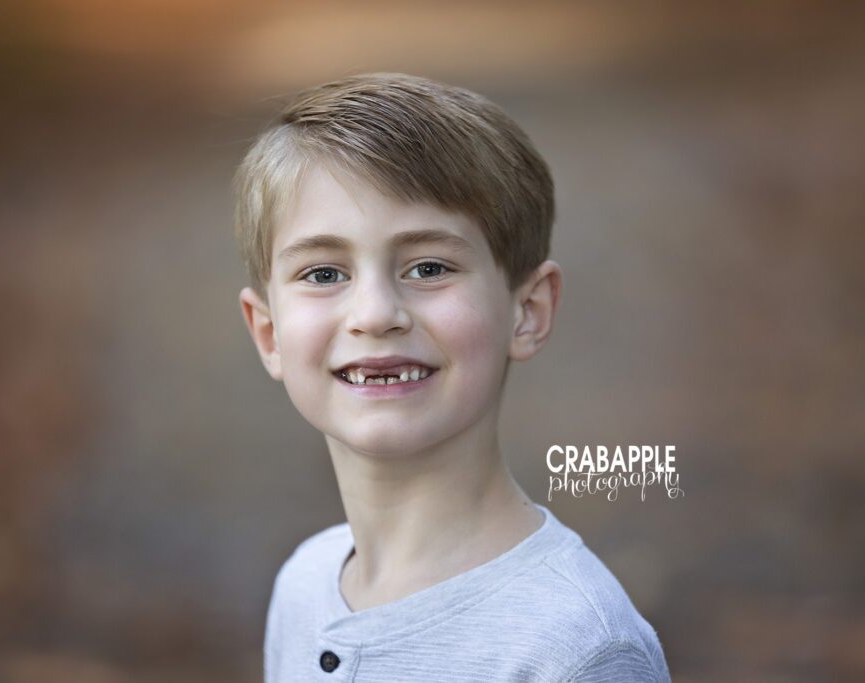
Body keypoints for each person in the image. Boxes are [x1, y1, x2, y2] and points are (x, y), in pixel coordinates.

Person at [234, 72, 670, 682]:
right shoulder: (304, 585)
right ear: (269, 333)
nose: (376, 313)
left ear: (528, 311)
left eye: (429, 266)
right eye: (325, 274)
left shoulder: (576, 648)